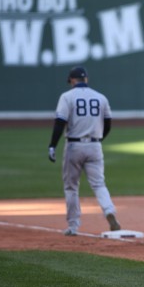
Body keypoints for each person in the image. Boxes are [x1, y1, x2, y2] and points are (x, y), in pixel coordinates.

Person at [47, 66, 121, 236]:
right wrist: (99, 139)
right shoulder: (100, 97)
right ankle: (109, 210)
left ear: (72, 80)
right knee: (99, 183)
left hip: (74, 146)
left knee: (71, 187)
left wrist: (52, 145)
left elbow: (60, 122)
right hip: (95, 145)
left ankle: (73, 226)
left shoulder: (67, 97)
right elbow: (108, 123)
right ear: (86, 79)